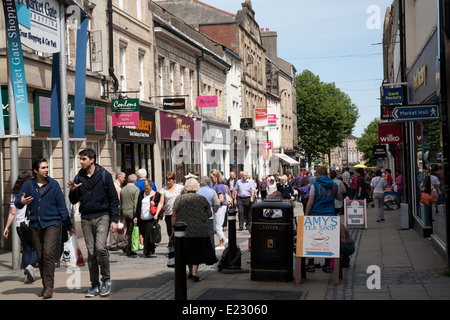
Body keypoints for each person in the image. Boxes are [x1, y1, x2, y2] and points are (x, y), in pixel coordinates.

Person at [15, 159, 74, 299]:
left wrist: (69, 225)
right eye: (43, 168)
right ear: (36, 171)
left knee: (48, 254)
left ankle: (49, 287)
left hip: (52, 224)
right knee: (40, 257)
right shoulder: (28, 185)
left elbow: (61, 206)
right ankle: (45, 285)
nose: (46, 170)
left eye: (47, 167)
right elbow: (17, 202)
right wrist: (22, 202)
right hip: (35, 225)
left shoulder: (53, 185)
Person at [67, 149, 119, 298]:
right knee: (91, 253)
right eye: (80, 159)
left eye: (83, 159)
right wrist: (72, 191)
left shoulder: (104, 175)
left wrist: (114, 219)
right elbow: (73, 200)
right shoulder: (79, 177)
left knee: (101, 248)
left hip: (102, 215)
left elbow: (113, 199)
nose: (81, 162)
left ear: (92, 159)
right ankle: (94, 284)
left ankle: (106, 279)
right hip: (86, 218)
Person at [173, 178, 218, 282]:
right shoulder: (201, 199)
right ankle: (194, 273)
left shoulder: (179, 199)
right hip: (199, 230)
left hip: (184, 230)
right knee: (196, 251)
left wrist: (173, 228)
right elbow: (209, 214)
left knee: (188, 251)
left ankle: (189, 272)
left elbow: (174, 215)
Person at [304, 166, 342, 273]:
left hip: (315, 216)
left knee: (312, 240)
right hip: (329, 215)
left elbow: (310, 202)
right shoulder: (334, 185)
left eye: (316, 174)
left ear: (318, 175)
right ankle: (327, 265)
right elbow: (340, 198)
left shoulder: (314, 185)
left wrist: (306, 215)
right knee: (328, 240)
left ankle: (311, 264)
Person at [3, 171, 37, 284]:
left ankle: (27, 275)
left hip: (19, 225)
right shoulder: (33, 189)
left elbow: (12, 212)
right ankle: (31, 267)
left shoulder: (14, 193)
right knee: (38, 247)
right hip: (31, 223)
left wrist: (7, 227)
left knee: (26, 248)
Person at [136, 180, 160, 258]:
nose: (147, 190)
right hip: (142, 218)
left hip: (151, 218)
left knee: (148, 235)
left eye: (148, 188)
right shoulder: (141, 194)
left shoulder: (156, 194)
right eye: (145, 188)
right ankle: (151, 247)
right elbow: (138, 206)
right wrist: (136, 216)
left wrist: (155, 203)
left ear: (151, 187)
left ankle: (146, 251)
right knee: (143, 233)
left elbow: (160, 205)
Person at [156, 172, 184, 240]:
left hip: (179, 214)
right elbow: (161, 203)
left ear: (174, 180)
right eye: (167, 180)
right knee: (170, 232)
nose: (168, 182)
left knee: (179, 233)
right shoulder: (163, 190)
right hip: (169, 214)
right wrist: (156, 214)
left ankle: (179, 248)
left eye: (170, 180)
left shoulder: (181, 188)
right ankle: (173, 247)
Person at [119, 174, 140, 257]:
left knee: (128, 229)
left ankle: (125, 245)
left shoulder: (123, 189)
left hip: (124, 212)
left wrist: (120, 214)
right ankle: (128, 247)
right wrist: (136, 215)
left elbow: (121, 203)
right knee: (130, 231)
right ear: (135, 181)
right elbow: (136, 204)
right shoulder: (136, 189)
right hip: (132, 213)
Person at [210, 170, 228, 250]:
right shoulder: (217, 185)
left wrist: (212, 201)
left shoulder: (218, 186)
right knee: (216, 226)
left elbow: (220, 199)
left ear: (216, 177)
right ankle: (222, 242)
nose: (211, 179)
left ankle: (224, 240)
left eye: (212, 177)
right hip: (219, 207)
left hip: (220, 207)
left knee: (217, 226)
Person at [109, 172, 125, 251]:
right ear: (119, 177)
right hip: (116, 207)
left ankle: (118, 242)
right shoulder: (115, 185)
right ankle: (113, 243)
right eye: (123, 177)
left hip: (118, 207)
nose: (124, 179)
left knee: (119, 225)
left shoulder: (118, 185)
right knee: (115, 225)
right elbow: (115, 198)